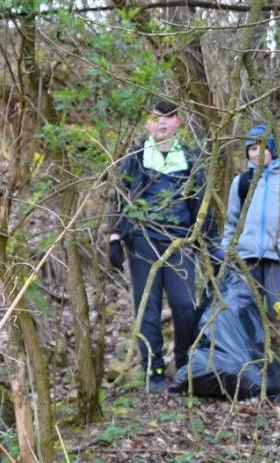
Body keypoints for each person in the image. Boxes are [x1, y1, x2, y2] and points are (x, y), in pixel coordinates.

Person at [108, 99, 215, 392]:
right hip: (142, 240)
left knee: (184, 304)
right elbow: (120, 197)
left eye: (168, 117)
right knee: (148, 309)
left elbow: (202, 201)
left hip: (180, 241)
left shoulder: (191, 158)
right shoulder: (136, 158)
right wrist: (115, 236)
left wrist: (210, 242)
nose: (162, 123)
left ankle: (183, 365)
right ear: (147, 124)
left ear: (178, 121)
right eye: (156, 118)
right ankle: (153, 371)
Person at [221, 123, 280, 312]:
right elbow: (232, 221)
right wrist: (226, 253)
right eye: (252, 149)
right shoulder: (241, 183)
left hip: (278, 259)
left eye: (262, 147)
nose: (257, 153)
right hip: (245, 258)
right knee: (246, 312)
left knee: (279, 312)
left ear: (272, 149)